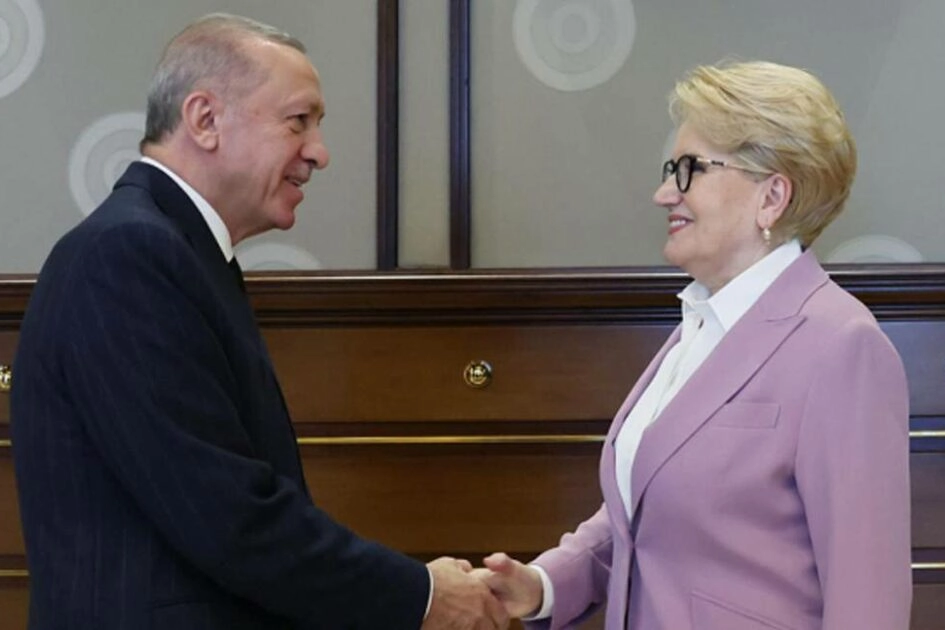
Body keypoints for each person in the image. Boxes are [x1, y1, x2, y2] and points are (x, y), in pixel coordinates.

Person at [10, 13, 507, 630]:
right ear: (204, 120)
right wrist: (422, 596)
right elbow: (225, 514)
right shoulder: (129, 256)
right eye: (298, 121)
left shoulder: (175, 252)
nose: (319, 152)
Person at [473, 60, 911, 629]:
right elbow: (645, 516)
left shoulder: (842, 345)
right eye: (669, 170)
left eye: (689, 170)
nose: (663, 194)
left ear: (772, 196)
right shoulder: (703, 323)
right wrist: (544, 585)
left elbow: (869, 600)